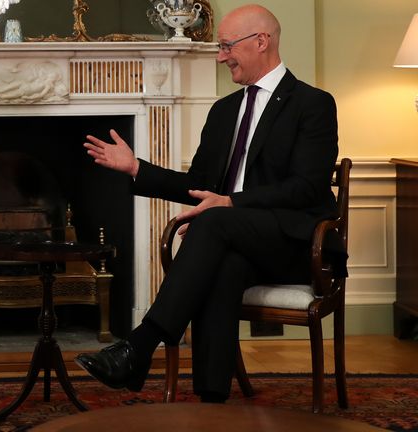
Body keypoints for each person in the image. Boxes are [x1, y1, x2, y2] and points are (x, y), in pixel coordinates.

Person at [76, 4, 342, 403]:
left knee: (213, 221)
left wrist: (230, 203)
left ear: (261, 41)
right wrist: (136, 169)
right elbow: (198, 188)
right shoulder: (223, 112)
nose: (220, 56)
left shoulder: (313, 104)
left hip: (297, 243)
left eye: (226, 46)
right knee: (223, 260)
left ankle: (140, 346)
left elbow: (306, 187)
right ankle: (211, 398)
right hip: (239, 243)